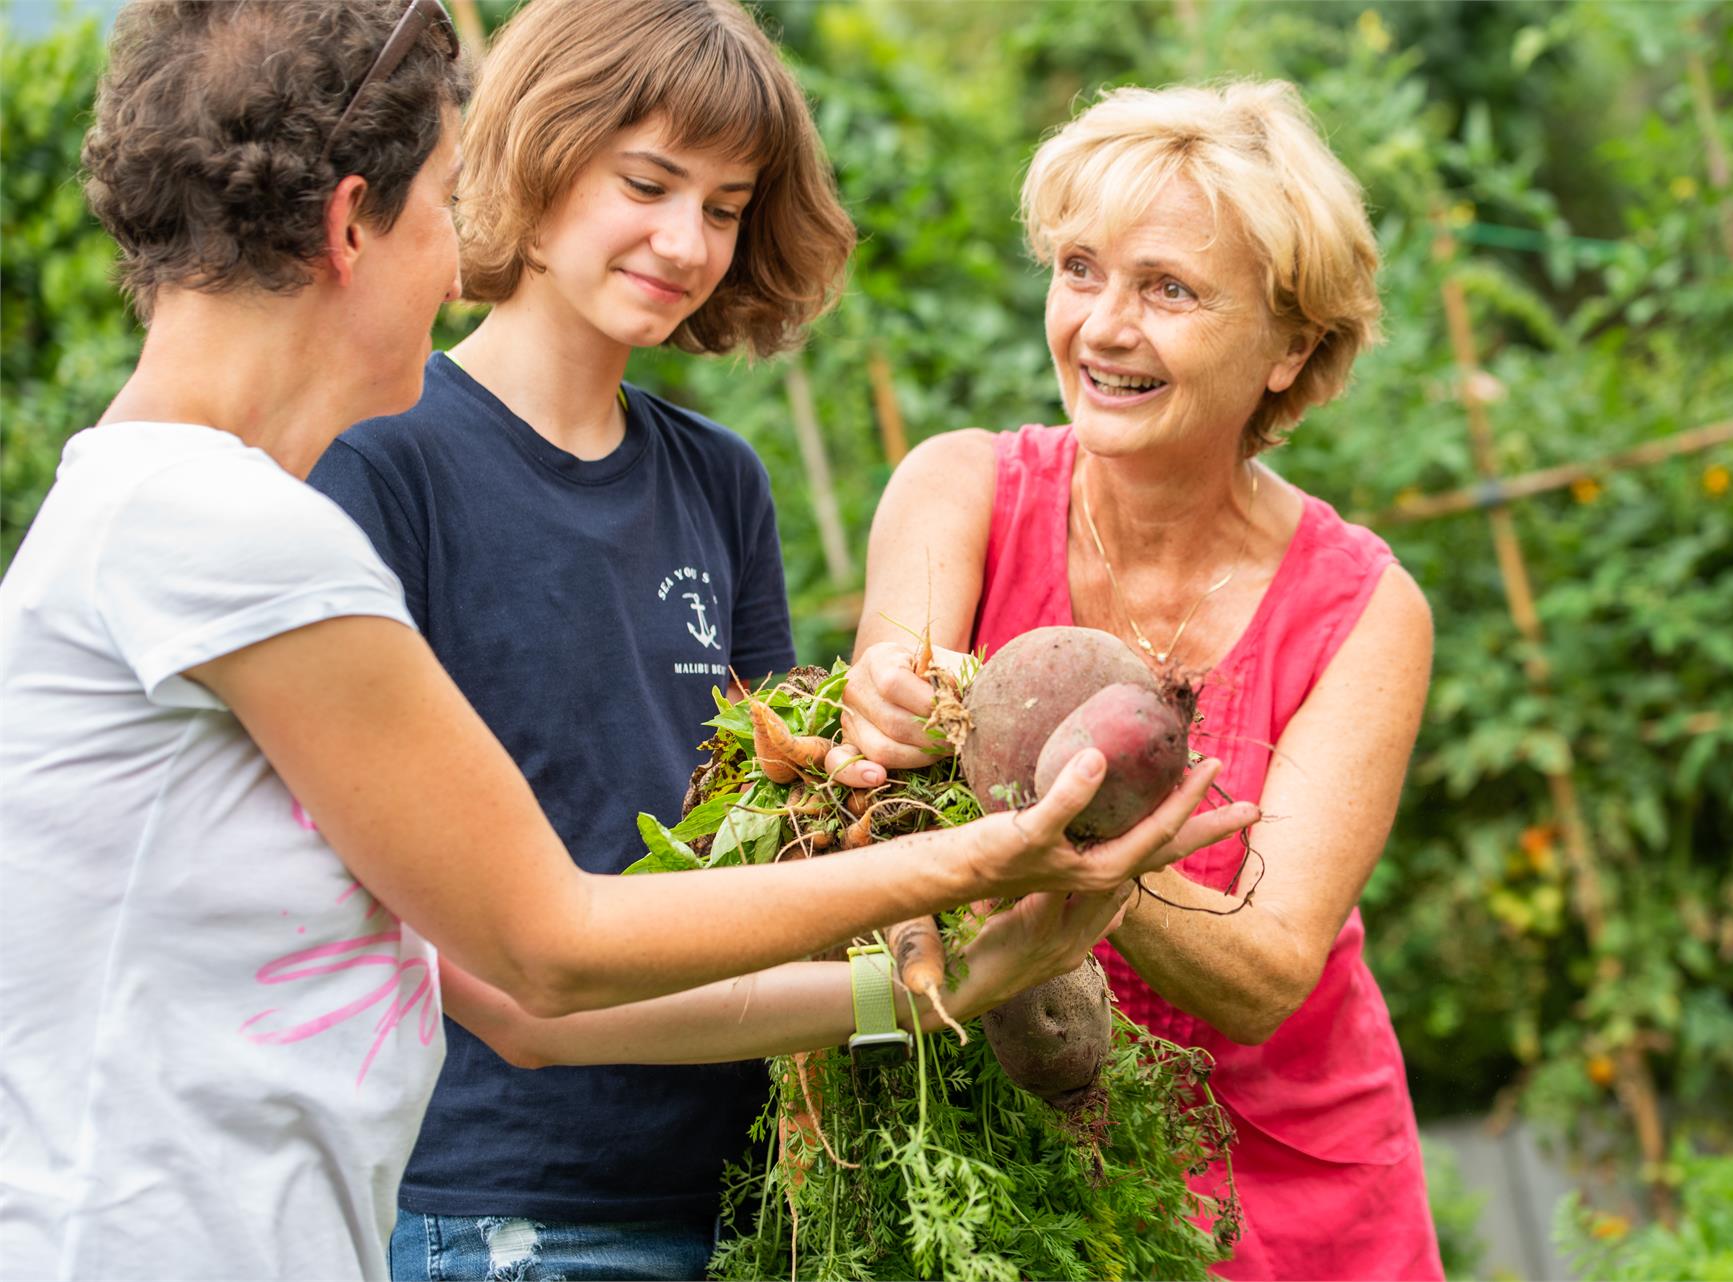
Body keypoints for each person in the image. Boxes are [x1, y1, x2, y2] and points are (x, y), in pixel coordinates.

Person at [0, 5, 1254, 1276]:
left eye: (722, 204)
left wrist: (939, 976)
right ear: (350, 225)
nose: (455, 260)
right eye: (448, 203)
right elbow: (544, 949)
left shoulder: (144, 510)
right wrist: (983, 866)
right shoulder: (233, 533)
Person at [842, 81, 1444, 1280]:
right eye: (1079, 269)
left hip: (1291, 1196)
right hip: (1008, 1181)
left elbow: (1270, 970)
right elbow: (881, 826)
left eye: (1167, 288)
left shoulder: (1363, 608)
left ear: (1291, 348)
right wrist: (883, 722)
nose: (1102, 327)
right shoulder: (959, 493)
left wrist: (1068, 839)